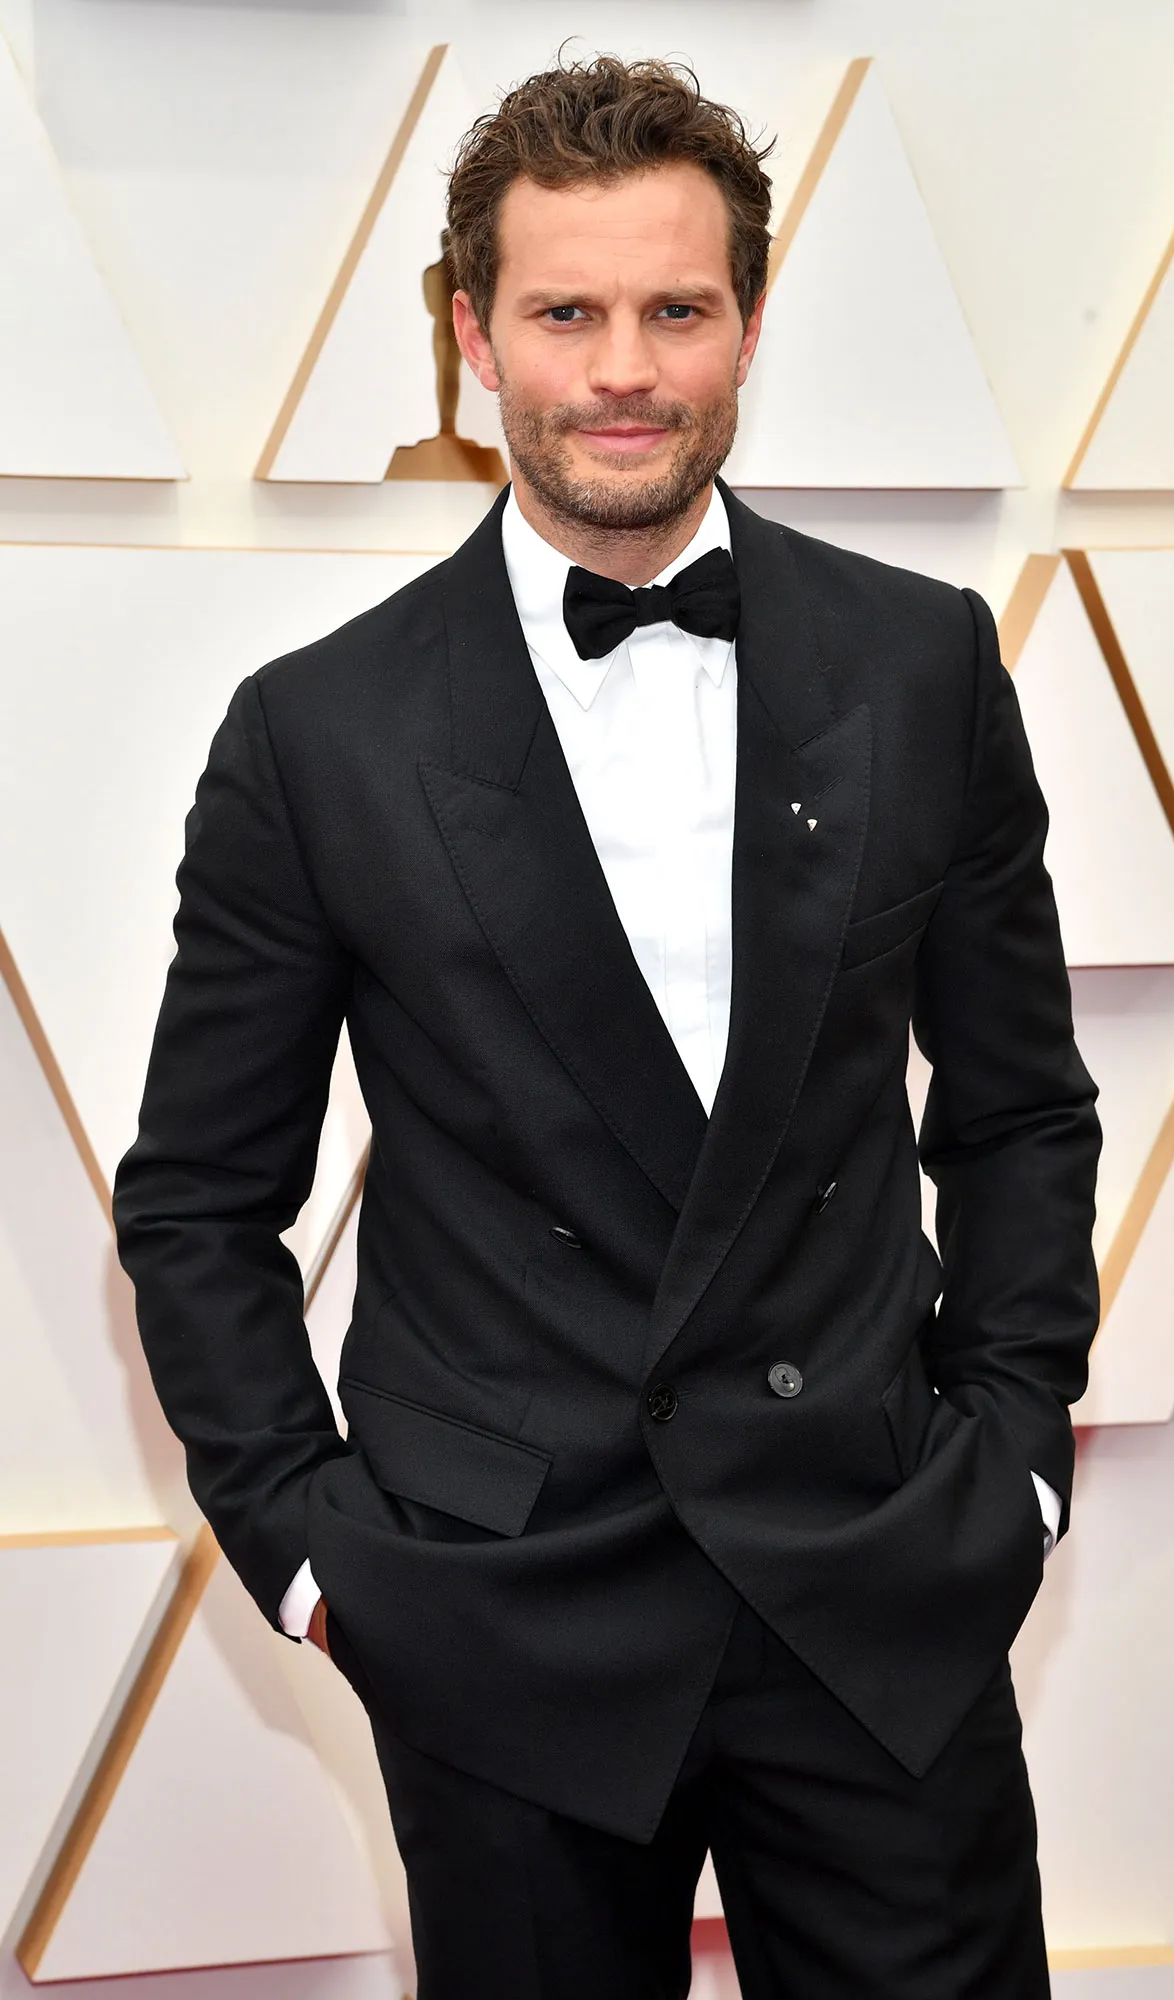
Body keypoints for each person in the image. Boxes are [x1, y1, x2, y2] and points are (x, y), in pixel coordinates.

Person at [113, 55, 1101, 2000]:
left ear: (749, 321)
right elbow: (198, 1205)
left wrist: (1016, 1461)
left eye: (677, 309)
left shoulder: (921, 665)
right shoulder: (317, 737)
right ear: (474, 336)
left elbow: (1017, 1112)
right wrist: (320, 1559)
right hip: (504, 1613)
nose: (625, 370)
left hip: (873, 1584)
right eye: (566, 313)